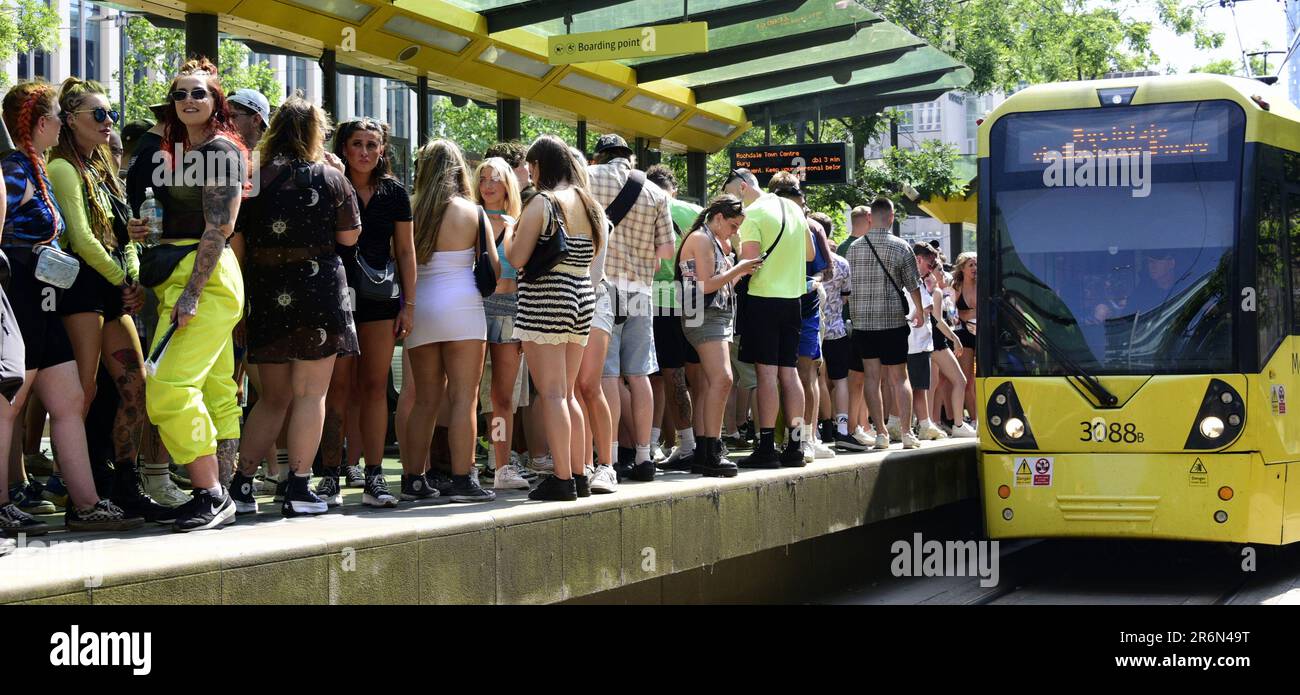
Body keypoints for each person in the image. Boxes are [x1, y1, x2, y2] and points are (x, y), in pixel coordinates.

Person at [0, 80, 141, 534]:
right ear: (42, 123)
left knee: (70, 399)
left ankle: (85, 503)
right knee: (8, 403)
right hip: (16, 298)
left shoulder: (35, 167)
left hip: (44, 300)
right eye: (58, 116)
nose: (62, 124)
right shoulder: (12, 172)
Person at [127, 58, 248, 532]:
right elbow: (182, 220)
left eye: (199, 93)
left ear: (216, 101)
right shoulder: (181, 149)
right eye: (180, 94)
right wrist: (143, 231)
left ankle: (211, 492)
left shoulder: (220, 148)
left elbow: (220, 228)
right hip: (187, 274)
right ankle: (224, 493)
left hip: (205, 279)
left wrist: (192, 294)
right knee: (216, 389)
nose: (188, 101)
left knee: (168, 387)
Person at [226, 96, 361, 516]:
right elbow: (350, 237)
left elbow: (237, 243)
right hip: (318, 290)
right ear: (313, 133)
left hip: (266, 291)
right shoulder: (329, 177)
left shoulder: (252, 176)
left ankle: (242, 484)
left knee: (272, 397)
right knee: (310, 394)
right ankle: (299, 488)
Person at [47, 77, 167, 521]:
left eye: (110, 114)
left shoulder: (103, 170)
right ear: (71, 120)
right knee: (83, 393)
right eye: (98, 114)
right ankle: (79, 489)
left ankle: (125, 481)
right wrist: (122, 278)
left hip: (115, 289)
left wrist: (132, 275)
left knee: (135, 386)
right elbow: (79, 237)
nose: (108, 122)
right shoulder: (62, 167)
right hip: (84, 291)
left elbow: (125, 233)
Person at [316, 118, 414, 507]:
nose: (365, 151)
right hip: (337, 295)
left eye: (373, 145)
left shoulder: (394, 193)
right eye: (357, 144)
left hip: (381, 297)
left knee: (376, 387)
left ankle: (374, 475)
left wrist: (410, 305)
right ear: (343, 147)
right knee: (336, 388)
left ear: (383, 150)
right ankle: (329, 474)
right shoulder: (328, 184)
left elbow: (406, 251)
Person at [507, 134, 606, 501]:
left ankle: (562, 479)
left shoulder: (544, 203)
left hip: (546, 298)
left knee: (550, 394)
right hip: (582, 295)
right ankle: (580, 473)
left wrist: (507, 234)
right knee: (567, 394)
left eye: (531, 168)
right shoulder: (589, 203)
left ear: (540, 166)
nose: (529, 176)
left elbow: (517, 258)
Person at [401, 138, 497, 503]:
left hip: (421, 305)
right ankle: (462, 479)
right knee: (463, 398)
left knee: (425, 399)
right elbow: (494, 267)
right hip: (463, 308)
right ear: (458, 169)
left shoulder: (410, 210)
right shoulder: (473, 211)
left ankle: (413, 479)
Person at [587, 134, 673, 483]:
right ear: (629, 158)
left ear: (600, 156)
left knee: (607, 375)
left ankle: (608, 459)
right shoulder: (655, 192)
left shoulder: (589, 178)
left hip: (604, 287)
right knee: (638, 374)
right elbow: (666, 251)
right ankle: (643, 456)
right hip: (640, 290)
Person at [724, 167, 815, 469]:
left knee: (766, 375)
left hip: (763, 300)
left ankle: (766, 447)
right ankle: (797, 445)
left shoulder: (754, 214)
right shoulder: (793, 207)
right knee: (789, 374)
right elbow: (810, 254)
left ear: (741, 189)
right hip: (793, 300)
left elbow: (750, 261)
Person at [676, 194, 759, 477]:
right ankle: (711, 449)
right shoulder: (701, 239)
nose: (735, 232)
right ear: (719, 217)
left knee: (711, 383)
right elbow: (706, 285)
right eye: (734, 225)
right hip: (704, 316)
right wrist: (739, 266)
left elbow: (721, 287)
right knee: (723, 379)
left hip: (715, 315)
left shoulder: (712, 241)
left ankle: (706, 448)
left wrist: (740, 270)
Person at [472, 156, 532, 491]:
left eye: (496, 178)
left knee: (502, 397)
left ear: (508, 182)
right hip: (477, 306)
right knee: (466, 393)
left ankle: (501, 465)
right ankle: (464, 466)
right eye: (483, 179)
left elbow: (525, 272)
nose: (489, 185)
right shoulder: (470, 217)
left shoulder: (521, 221)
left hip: (512, 308)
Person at [846, 197, 925, 450]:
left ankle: (880, 433)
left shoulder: (854, 248)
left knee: (871, 377)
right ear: (890, 217)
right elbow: (913, 284)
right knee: (899, 378)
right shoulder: (901, 246)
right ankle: (906, 433)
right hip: (892, 321)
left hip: (863, 324)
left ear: (870, 218)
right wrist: (920, 312)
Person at [645, 164, 700, 472]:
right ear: (674, 188)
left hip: (658, 297)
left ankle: (662, 443)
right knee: (697, 374)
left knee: (662, 373)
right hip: (695, 297)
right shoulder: (695, 211)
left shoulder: (646, 206)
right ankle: (700, 440)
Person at [923, 251, 975, 438]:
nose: (944, 274)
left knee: (932, 383)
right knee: (959, 380)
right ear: (931, 273)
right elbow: (939, 320)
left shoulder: (929, 290)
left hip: (928, 340)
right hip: (937, 341)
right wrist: (955, 338)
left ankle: (928, 422)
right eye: (939, 270)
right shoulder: (935, 292)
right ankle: (959, 424)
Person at [906, 243, 949, 441]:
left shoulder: (915, 279)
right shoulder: (914, 280)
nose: (932, 270)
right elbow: (924, 309)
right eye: (930, 265)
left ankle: (915, 423)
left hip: (915, 341)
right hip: (916, 342)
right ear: (919, 260)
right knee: (919, 387)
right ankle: (923, 424)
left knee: (915, 386)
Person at [951, 252, 977, 423]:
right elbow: (951, 310)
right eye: (971, 265)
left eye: (976, 265)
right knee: (967, 379)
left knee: (982, 378)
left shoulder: (984, 284)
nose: (975, 268)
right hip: (964, 334)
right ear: (962, 268)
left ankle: (983, 416)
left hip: (982, 332)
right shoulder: (955, 287)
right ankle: (975, 419)